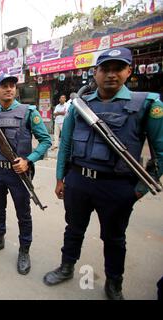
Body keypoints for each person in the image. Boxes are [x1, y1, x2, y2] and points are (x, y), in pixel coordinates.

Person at [43, 47, 163, 300]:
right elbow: (65, 144)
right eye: (104, 69)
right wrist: (60, 178)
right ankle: (66, 267)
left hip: (117, 186)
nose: (111, 74)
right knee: (73, 228)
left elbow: (160, 153)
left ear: (128, 71)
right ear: (95, 73)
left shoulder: (147, 104)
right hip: (78, 181)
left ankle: (114, 282)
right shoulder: (79, 106)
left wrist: (138, 190)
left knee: (114, 238)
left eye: (117, 69)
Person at [0, 74, 52, 275]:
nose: (9, 89)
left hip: (18, 173)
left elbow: (46, 141)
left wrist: (28, 160)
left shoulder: (29, 112)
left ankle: (24, 250)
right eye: (4, 86)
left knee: (23, 214)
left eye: (12, 85)